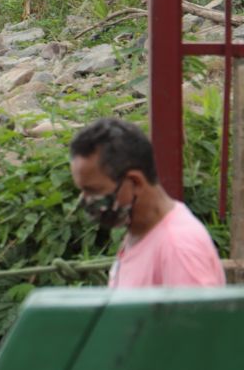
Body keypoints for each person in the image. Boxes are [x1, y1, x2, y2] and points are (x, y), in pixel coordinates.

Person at [68, 117, 225, 288]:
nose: (85, 201)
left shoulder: (177, 249)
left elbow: (193, 315)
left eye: (94, 190)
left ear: (135, 182)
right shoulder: (141, 231)